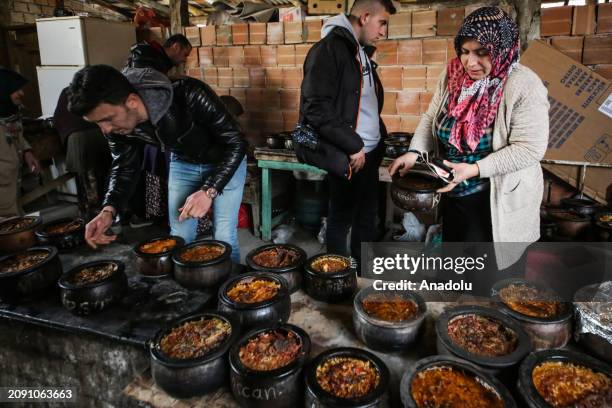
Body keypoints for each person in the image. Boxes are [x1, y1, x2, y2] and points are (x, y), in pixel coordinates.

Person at [389, 7, 549, 268]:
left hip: (496, 201)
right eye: (464, 52)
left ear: (501, 48)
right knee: (456, 271)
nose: (470, 62)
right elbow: (431, 117)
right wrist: (415, 152)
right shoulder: (453, 75)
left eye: (481, 52)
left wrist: (475, 169)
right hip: (456, 193)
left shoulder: (525, 86)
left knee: (490, 283)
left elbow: (529, 150)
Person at [67, 65, 247, 264]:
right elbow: (124, 165)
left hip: (226, 159)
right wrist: (109, 210)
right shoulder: (116, 126)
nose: (106, 130)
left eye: (108, 120)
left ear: (132, 102)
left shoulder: (189, 93)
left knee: (223, 234)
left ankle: (231, 287)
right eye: (98, 123)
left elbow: (237, 143)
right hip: (183, 161)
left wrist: (209, 190)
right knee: (180, 235)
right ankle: (190, 288)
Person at [299, 0, 396, 264]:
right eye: (382, 22)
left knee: (367, 215)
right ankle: (336, 274)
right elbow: (315, 107)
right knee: (341, 214)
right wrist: (353, 145)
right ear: (365, 17)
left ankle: (361, 273)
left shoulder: (359, 51)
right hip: (350, 153)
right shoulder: (329, 50)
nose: (384, 31)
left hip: (369, 151)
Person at [53, 87, 111, 217]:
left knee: (86, 182)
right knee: (103, 177)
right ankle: (106, 212)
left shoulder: (67, 92)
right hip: (100, 136)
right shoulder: (91, 91)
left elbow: (57, 119)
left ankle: (91, 215)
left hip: (79, 141)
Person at [0, 68, 41, 218]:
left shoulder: (10, 113)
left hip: (11, 189)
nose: (21, 93)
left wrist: (27, 151)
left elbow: (17, 135)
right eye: (16, 90)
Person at [126, 34, 192, 75]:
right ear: (176, 47)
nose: (185, 60)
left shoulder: (161, 61)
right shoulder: (149, 57)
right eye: (185, 55)